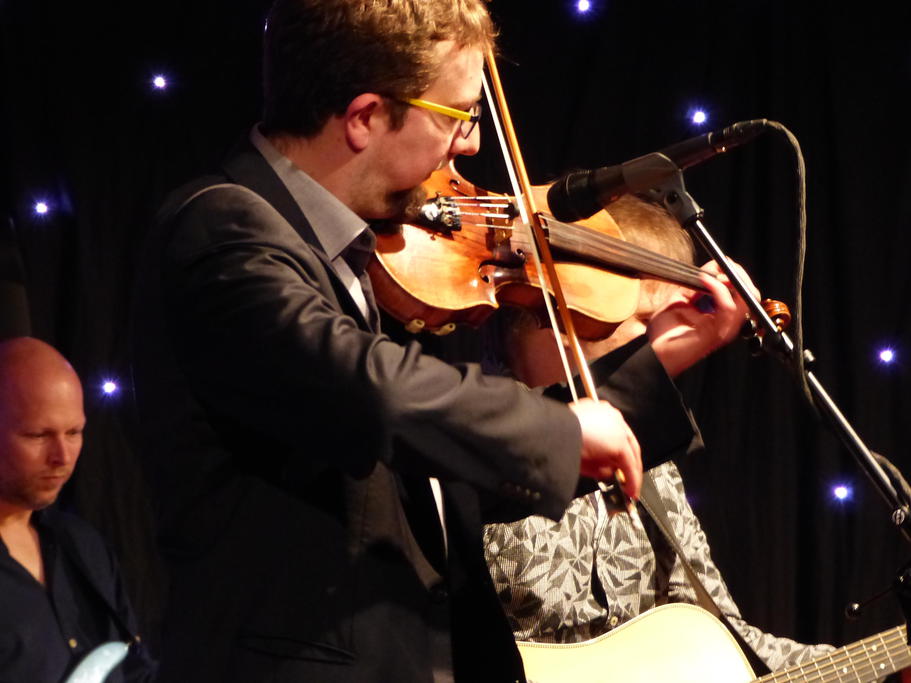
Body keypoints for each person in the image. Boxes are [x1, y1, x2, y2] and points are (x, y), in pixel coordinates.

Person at [129, 1, 752, 681]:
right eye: (457, 115)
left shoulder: (355, 254)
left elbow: (438, 490)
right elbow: (371, 389)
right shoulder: (223, 229)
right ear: (365, 117)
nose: (470, 145)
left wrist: (657, 361)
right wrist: (561, 429)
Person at [483, 195, 835, 673]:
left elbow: (726, 638)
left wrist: (880, 663)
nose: (665, 348)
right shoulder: (462, 441)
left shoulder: (651, 467)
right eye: (648, 323)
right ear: (567, 310)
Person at [0, 337, 155, 683]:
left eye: (74, 432)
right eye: (38, 435)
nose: (63, 456)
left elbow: (133, 668)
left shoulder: (85, 545)